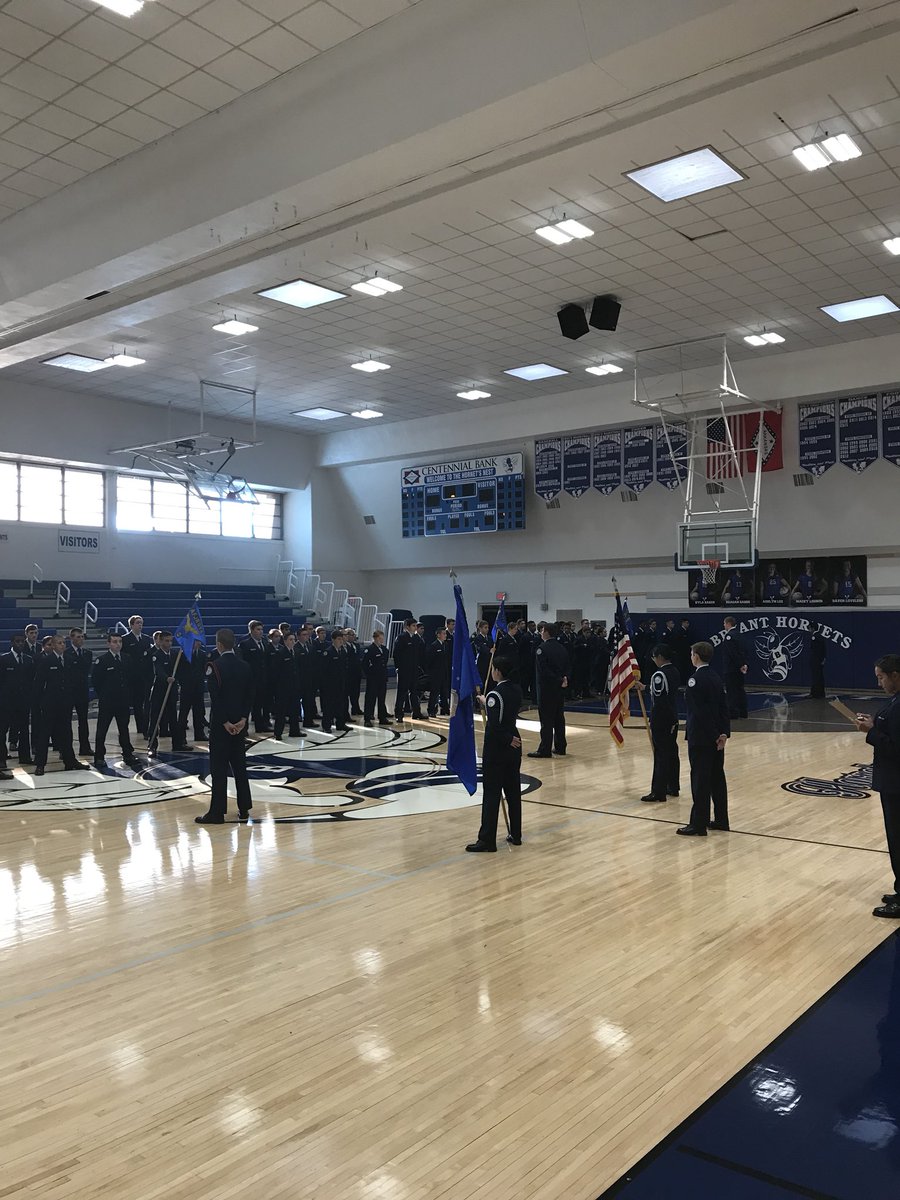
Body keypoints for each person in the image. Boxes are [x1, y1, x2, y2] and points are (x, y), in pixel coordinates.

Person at [857, 656, 900, 917]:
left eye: (881, 677)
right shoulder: (894, 702)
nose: (878, 682)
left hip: (896, 784)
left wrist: (870, 732)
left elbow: (896, 747)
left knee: (898, 841)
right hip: (893, 782)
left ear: (895, 674)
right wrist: (875, 724)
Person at [196, 628, 254, 825]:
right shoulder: (245, 666)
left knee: (219, 769)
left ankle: (217, 812)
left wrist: (225, 722)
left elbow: (216, 699)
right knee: (240, 767)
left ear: (219, 645)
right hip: (240, 725)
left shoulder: (215, 666)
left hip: (223, 727)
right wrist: (243, 719)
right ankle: (244, 808)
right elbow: (249, 696)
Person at [467, 654, 523, 853]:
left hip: (499, 748)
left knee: (492, 794)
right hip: (514, 745)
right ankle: (516, 834)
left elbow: (494, 726)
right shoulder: (516, 689)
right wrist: (486, 701)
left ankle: (487, 840)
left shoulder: (495, 695)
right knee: (513, 792)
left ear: (498, 671)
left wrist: (506, 738)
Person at [677, 641, 730, 837]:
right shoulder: (716, 677)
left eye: (692, 654)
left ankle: (698, 824)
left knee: (700, 780)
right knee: (717, 779)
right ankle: (721, 819)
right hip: (717, 739)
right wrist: (723, 733)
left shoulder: (695, 680)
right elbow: (724, 709)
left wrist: (715, 734)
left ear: (696, 656)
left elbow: (700, 713)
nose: (691, 657)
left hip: (702, 738)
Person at [31, 634, 80, 776]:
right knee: (44, 734)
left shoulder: (69, 660)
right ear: (52, 645)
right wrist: (38, 703)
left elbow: (73, 682)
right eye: (59, 643)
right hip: (50, 703)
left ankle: (69, 761)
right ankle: (40, 764)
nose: (62, 645)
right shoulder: (46, 661)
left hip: (65, 703)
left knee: (66, 733)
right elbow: (38, 684)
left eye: (64, 643)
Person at [639, 643, 681, 803]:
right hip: (672, 717)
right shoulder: (674, 671)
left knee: (661, 755)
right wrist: (645, 688)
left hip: (662, 719)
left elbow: (660, 700)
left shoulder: (659, 675)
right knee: (671, 753)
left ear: (660, 657)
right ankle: (673, 786)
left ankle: (658, 791)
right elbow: (662, 691)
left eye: (654, 657)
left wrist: (656, 720)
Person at [92, 632, 139, 769]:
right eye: (114, 641)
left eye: (119, 641)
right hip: (108, 701)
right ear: (108, 643)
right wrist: (104, 694)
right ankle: (99, 757)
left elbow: (131, 678)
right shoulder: (102, 660)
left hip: (123, 700)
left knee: (124, 729)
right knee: (102, 730)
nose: (117, 644)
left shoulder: (126, 658)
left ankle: (127, 754)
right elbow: (96, 681)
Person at [147, 630, 192, 754]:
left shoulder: (175, 654)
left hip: (171, 691)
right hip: (159, 691)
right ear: (160, 641)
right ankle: (152, 745)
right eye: (166, 641)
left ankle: (177, 743)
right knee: (155, 718)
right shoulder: (156, 655)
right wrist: (167, 678)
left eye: (171, 641)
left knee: (173, 718)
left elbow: (184, 667)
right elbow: (158, 670)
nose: (169, 643)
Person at [528, 622, 568, 759]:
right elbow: (568, 666)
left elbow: (544, 671)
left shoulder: (542, 649)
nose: (540, 633)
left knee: (546, 720)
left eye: (542, 630)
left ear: (547, 632)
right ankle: (561, 746)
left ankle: (545, 749)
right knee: (559, 718)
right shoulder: (562, 648)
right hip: (560, 688)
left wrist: (558, 679)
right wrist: (564, 679)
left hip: (546, 689)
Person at [0, 632, 34, 765]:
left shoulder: (28, 659)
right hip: (7, 702)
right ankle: (2, 758)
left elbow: (31, 681)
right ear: (12, 643)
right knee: (3, 730)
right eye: (17, 641)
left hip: (23, 701)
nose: (20, 644)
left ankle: (25, 757)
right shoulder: (4, 660)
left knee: (24, 730)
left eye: (22, 641)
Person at [121, 614, 153, 736]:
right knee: (136, 703)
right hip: (132, 676)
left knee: (146, 702)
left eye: (141, 622)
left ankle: (145, 726)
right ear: (131, 625)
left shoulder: (146, 638)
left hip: (144, 675)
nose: (140, 625)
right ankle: (140, 726)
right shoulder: (125, 639)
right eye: (138, 622)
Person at [64, 628, 94, 758]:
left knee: (83, 720)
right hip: (69, 691)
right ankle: (65, 749)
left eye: (82, 637)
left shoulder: (87, 653)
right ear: (71, 638)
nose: (81, 639)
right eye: (78, 637)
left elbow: (86, 669)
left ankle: (85, 747)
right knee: (66, 721)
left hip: (82, 690)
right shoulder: (66, 653)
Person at [238, 620, 270, 732]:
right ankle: (244, 729)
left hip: (262, 678)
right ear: (251, 630)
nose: (261, 632)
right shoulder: (245, 644)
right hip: (251, 679)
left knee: (259, 704)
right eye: (258, 629)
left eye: (261, 629)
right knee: (247, 705)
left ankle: (260, 726)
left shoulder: (265, 642)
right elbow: (243, 662)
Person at [176, 639, 208, 743]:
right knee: (183, 713)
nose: (198, 643)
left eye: (199, 641)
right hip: (187, 687)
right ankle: (181, 738)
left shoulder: (202, 654)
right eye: (195, 641)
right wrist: (183, 682)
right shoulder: (183, 654)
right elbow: (179, 671)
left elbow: (204, 669)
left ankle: (199, 734)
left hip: (198, 687)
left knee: (199, 712)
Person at [270, 631, 301, 739]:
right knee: (281, 712)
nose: (293, 642)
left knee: (295, 710)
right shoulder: (280, 653)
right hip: (282, 688)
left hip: (294, 687)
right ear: (285, 641)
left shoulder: (296, 652)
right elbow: (275, 672)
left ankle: (295, 730)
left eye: (294, 639)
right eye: (290, 639)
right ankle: (278, 732)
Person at [393, 618, 423, 720]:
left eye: (416, 626)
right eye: (413, 626)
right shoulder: (401, 638)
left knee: (414, 692)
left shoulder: (416, 638)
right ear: (407, 627)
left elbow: (418, 654)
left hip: (414, 670)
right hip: (404, 670)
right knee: (402, 692)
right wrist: (398, 668)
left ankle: (416, 712)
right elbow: (396, 654)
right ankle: (399, 714)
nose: (415, 628)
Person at [320, 629, 350, 733]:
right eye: (338, 639)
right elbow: (323, 670)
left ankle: (340, 723)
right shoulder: (327, 652)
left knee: (340, 704)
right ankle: (326, 725)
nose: (341, 641)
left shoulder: (343, 651)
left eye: (342, 639)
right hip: (330, 684)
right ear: (333, 640)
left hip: (340, 683)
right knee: (329, 706)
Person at [362, 630, 392, 727]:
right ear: (375, 638)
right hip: (373, 678)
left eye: (382, 638)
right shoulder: (370, 649)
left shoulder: (384, 649)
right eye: (380, 638)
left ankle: (382, 717)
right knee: (370, 699)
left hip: (382, 678)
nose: (381, 640)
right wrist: (369, 675)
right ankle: (368, 718)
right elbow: (364, 665)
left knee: (382, 699)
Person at [721, 616, 748, 719]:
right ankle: (743, 712)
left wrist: (740, 665)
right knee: (740, 689)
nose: (724, 626)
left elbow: (732, 653)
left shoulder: (729, 636)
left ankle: (733, 713)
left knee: (731, 691)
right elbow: (744, 651)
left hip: (731, 668)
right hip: (740, 668)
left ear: (728, 624)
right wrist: (744, 664)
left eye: (724, 624)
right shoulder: (740, 635)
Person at [293, 625, 318, 728]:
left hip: (309, 679)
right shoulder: (295, 648)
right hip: (299, 679)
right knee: (296, 702)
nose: (306, 636)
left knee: (309, 700)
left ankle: (308, 720)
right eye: (303, 635)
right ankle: (295, 721)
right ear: (298, 636)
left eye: (307, 635)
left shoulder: (310, 647)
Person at [425, 627, 451, 716]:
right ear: (438, 635)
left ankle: (445, 709)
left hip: (444, 673)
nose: (445, 635)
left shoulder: (445, 645)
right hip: (435, 674)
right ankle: (431, 710)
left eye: (445, 634)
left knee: (444, 692)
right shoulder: (434, 646)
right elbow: (429, 661)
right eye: (443, 634)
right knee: (434, 693)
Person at [344, 628, 364, 716]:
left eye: (353, 635)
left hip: (356, 672)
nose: (353, 636)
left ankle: (355, 708)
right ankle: (346, 711)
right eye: (350, 634)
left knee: (356, 692)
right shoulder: (344, 646)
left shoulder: (356, 645)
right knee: (347, 692)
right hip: (348, 672)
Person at [809, 622, 826, 699]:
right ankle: (821, 693)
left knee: (816, 677)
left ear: (812, 628)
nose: (809, 630)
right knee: (819, 677)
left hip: (816, 660)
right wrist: (823, 658)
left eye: (809, 628)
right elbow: (824, 649)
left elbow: (816, 650)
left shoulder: (815, 637)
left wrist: (817, 659)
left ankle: (815, 693)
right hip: (820, 660)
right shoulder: (820, 636)